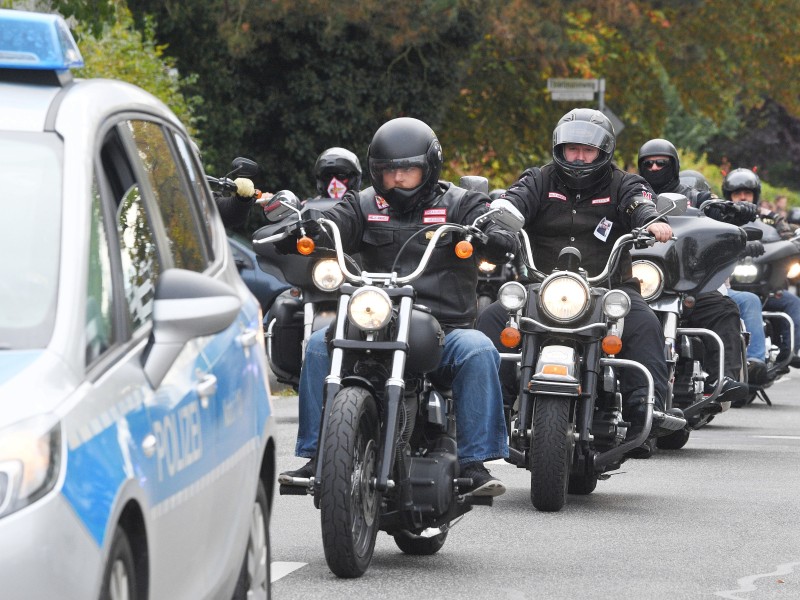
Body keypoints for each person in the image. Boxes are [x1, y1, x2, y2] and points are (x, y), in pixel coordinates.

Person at [278, 117, 515, 496]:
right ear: (376, 172)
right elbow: (332, 221)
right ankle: (316, 455)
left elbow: (488, 221)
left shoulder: (460, 202)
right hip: (374, 320)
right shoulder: (363, 204)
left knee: (478, 350)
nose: (398, 179)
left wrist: (496, 236)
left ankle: (475, 463)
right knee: (318, 346)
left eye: (408, 170)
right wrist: (307, 229)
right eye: (389, 172)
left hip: (442, 329)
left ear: (429, 166)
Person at [476, 108, 676, 459]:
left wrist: (650, 221)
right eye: (572, 149)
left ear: (604, 151)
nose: (579, 157)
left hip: (610, 287)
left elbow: (640, 203)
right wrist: (497, 222)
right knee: (491, 320)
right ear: (560, 149)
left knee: (644, 322)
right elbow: (512, 201)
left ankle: (646, 410)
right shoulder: (538, 180)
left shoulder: (623, 183)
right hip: (542, 286)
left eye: (588, 150)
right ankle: (486, 408)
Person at [637, 139, 751, 400]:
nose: (654, 168)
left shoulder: (691, 196)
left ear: (673, 165)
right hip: (639, 280)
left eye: (661, 163)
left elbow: (713, 206)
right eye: (648, 163)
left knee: (722, 308)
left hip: (682, 281)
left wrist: (733, 210)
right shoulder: (632, 192)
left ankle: (723, 379)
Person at [723, 168, 800, 367]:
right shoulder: (719, 219)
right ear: (728, 196)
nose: (742, 197)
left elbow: (786, 235)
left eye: (747, 193)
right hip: (731, 283)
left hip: (762, 282)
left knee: (792, 302)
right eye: (737, 193)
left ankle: (791, 352)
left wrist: (789, 240)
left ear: (754, 196)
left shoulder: (769, 218)